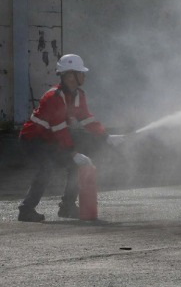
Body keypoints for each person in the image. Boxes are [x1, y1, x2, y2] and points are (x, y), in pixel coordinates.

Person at [17, 54, 126, 222]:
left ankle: (67, 207)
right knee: (45, 168)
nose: (84, 76)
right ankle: (26, 210)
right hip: (33, 140)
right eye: (80, 72)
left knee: (75, 167)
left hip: (50, 140)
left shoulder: (78, 95)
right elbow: (59, 129)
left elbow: (87, 119)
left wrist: (106, 137)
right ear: (69, 75)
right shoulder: (53, 97)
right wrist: (72, 153)